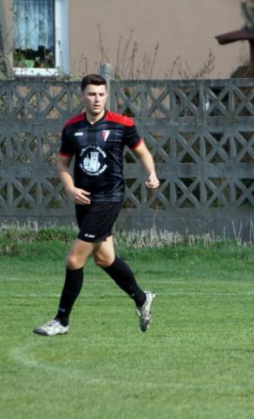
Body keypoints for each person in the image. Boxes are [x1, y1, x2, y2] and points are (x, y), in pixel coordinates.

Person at [33, 74, 160, 336]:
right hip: (84, 200)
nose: (97, 99)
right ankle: (141, 298)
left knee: (74, 259)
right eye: (91, 94)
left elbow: (142, 152)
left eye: (101, 94)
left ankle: (62, 321)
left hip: (109, 198)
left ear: (106, 96)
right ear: (82, 95)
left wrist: (151, 174)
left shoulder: (122, 124)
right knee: (104, 258)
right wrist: (70, 188)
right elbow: (62, 163)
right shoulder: (71, 128)